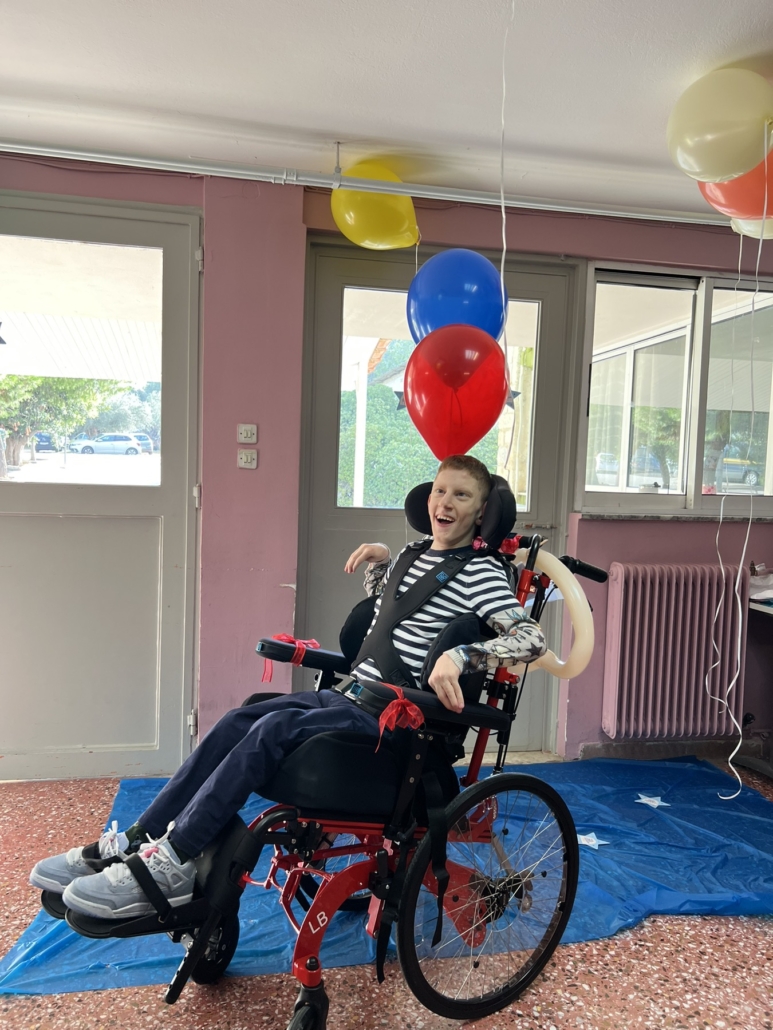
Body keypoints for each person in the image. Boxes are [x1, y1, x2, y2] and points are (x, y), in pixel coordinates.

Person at [30, 455, 546, 920]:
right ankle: (138, 839)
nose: (445, 503)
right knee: (240, 718)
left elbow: (531, 639)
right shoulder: (413, 553)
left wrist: (463, 656)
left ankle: (174, 858)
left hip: (397, 717)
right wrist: (383, 564)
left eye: (462, 495)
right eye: (439, 490)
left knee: (273, 728)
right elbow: (390, 617)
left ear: (481, 512)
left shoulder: (482, 572)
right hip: (351, 695)